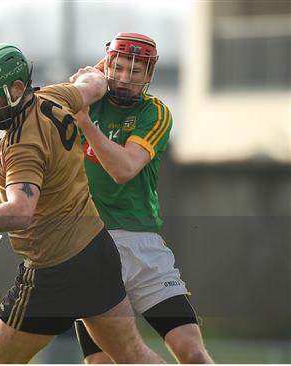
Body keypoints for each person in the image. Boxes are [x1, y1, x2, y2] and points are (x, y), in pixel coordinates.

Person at [0, 43, 164, 364]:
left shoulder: (21, 148)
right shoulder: (56, 97)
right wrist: (100, 69)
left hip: (54, 272)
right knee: (133, 356)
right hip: (97, 252)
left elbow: (20, 212)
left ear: (15, 89)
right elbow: (95, 84)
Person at [71, 32, 214, 364]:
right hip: (88, 246)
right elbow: (33, 111)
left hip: (142, 247)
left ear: (149, 74)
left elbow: (124, 168)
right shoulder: (83, 100)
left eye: (135, 71)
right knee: (102, 362)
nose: (124, 79)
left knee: (192, 351)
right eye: (117, 68)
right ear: (105, 66)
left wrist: (86, 124)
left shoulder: (156, 113)